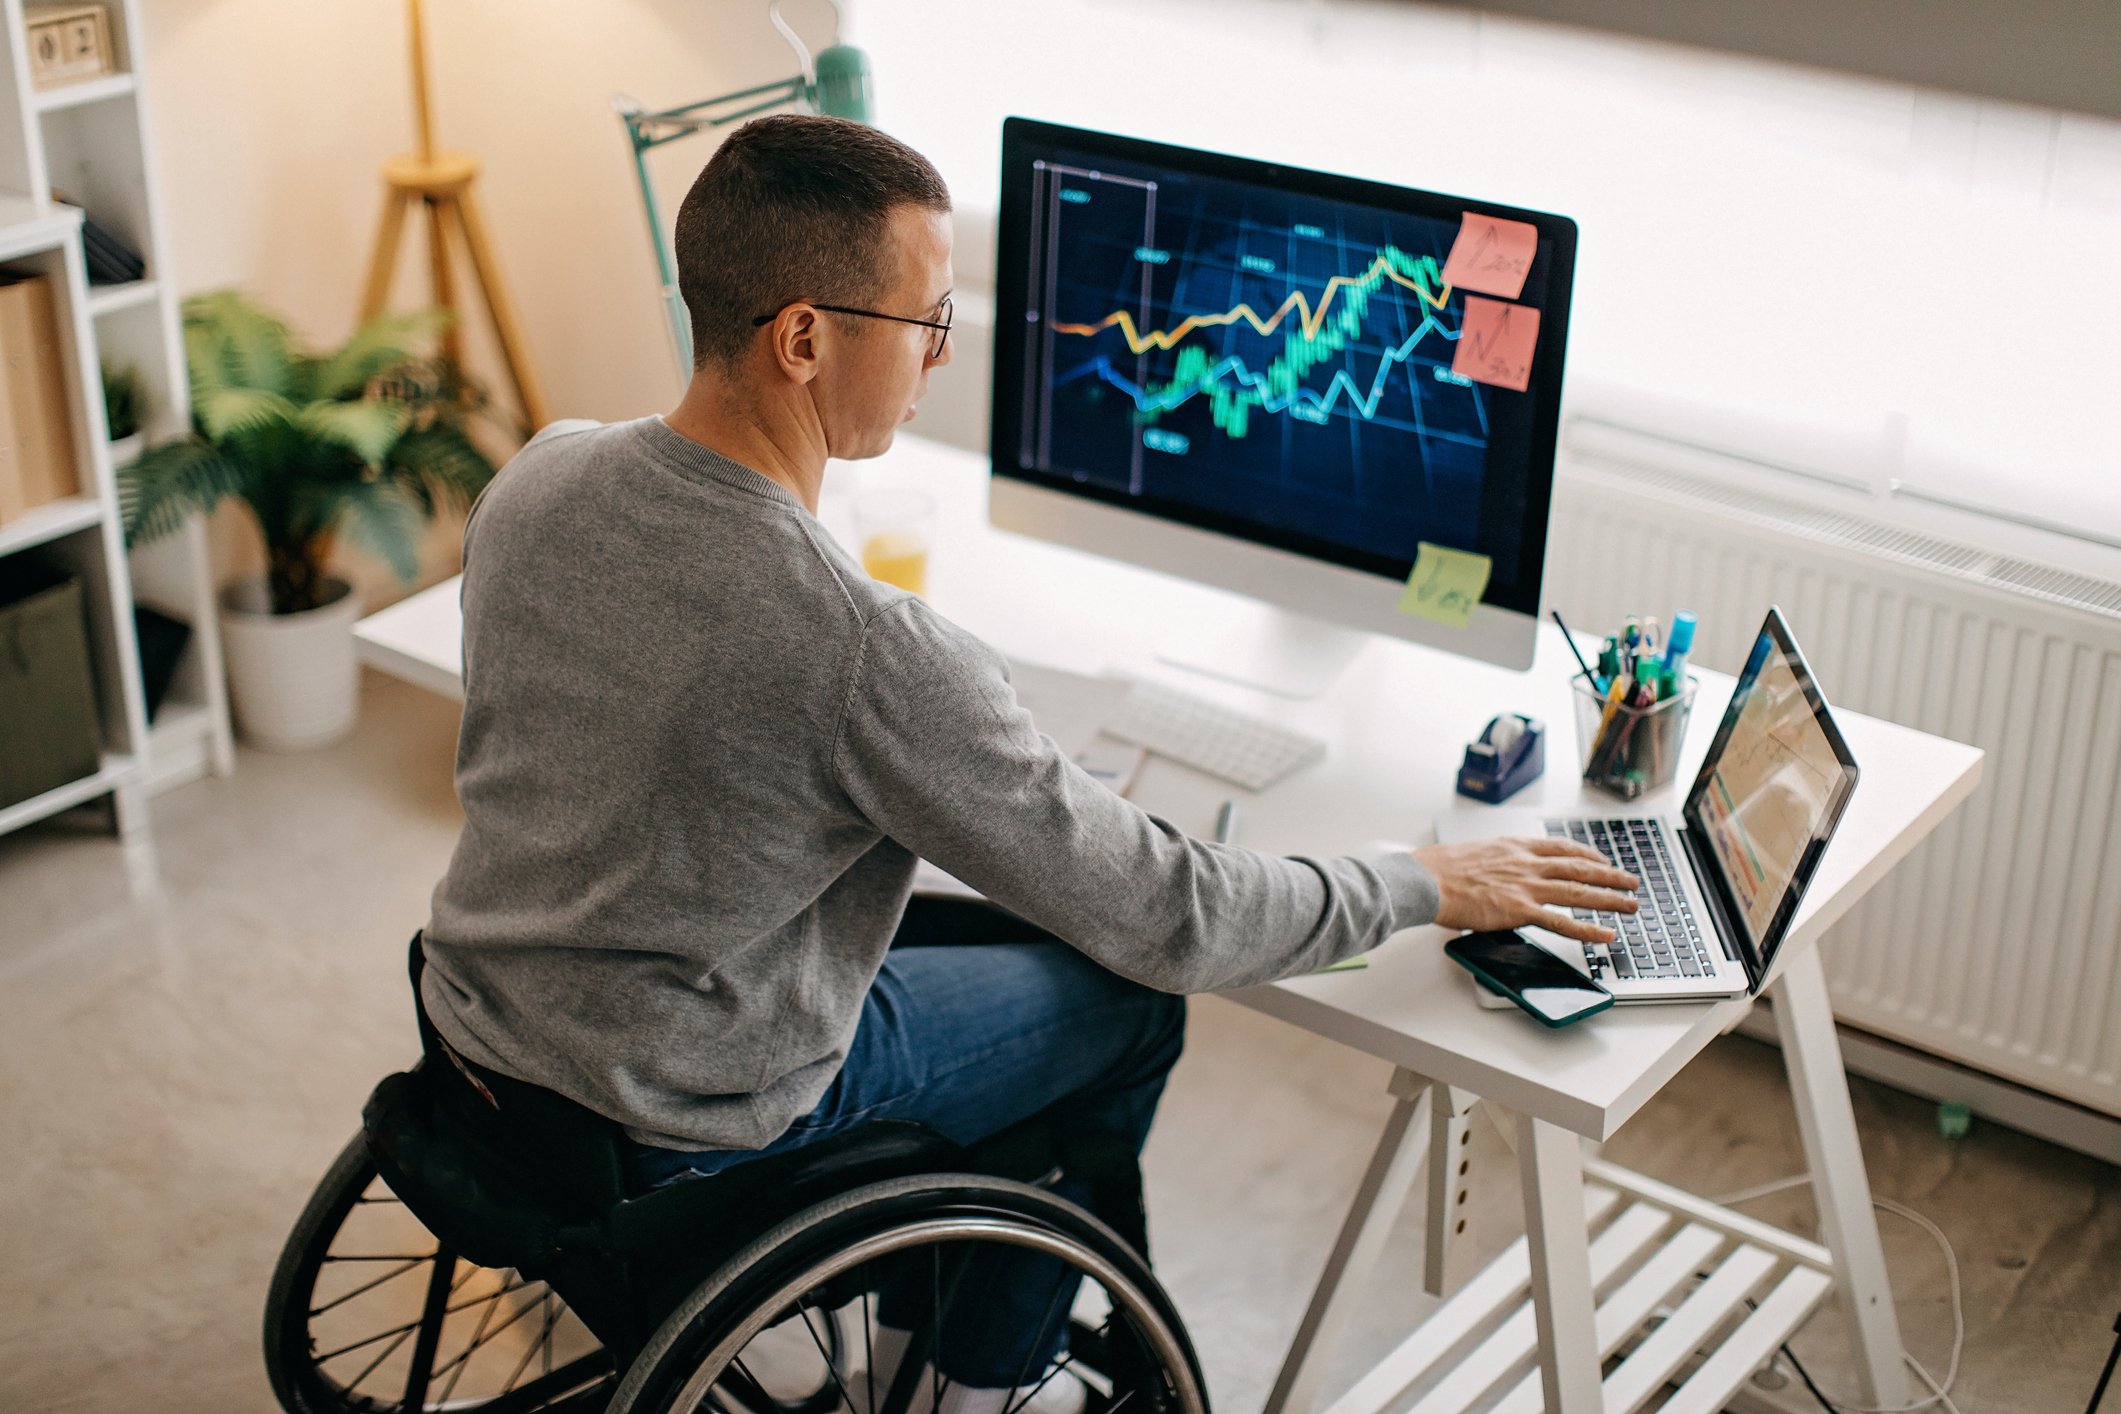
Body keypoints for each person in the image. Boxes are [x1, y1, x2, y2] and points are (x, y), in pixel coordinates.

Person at [418, 114, 1637, 1412]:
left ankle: (940, 1310)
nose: (942, 356)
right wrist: (1421, 880)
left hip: (485, 1038)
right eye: (925, 320)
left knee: (1016, 941)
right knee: (1122, 1003)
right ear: (803, 338)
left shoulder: (542, 476)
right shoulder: (862, 646)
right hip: (677, 1102)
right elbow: (1170, 920)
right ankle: (965, 1380)